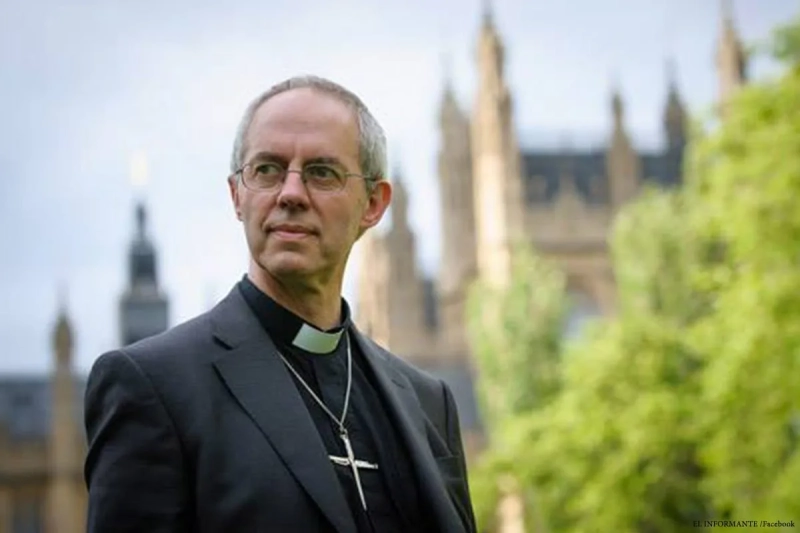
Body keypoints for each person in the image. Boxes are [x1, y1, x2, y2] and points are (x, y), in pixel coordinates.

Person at [83, 75, 477, 533]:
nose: (290, 193)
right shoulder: (154, 387)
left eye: (321, 172)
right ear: (237, 195)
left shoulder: (431, 404)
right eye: (267, 169)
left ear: (373, 203)